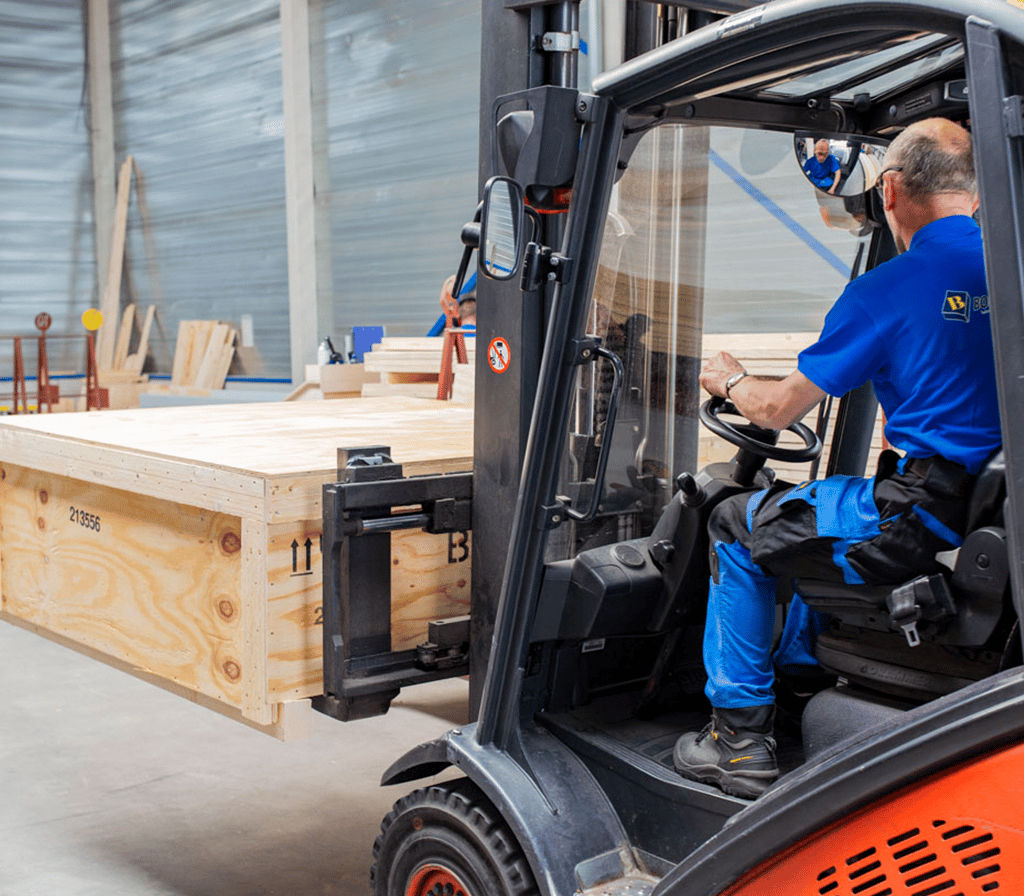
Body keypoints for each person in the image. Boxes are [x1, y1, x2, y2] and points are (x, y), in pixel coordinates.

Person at [673, 118, 1001, 799]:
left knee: (736, 522)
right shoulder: (1013, 271)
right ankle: (798, 680)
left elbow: (775, 411)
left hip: (918, 519)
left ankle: (736, 739)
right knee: (811, 513)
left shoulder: (888, 288)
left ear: (890, 190)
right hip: (980, 507)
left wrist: (728, 380)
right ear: (973, 193)